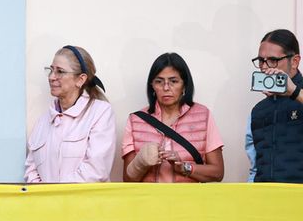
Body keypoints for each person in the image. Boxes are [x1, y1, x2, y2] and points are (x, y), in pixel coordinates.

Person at [122, 53, 224, 182]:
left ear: (184, 85)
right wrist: (141, 161)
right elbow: (127, 179)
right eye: (159, 82)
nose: (166, 88)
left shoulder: (203, 115)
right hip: (148, 200)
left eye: (173, 81)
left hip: (188, 200)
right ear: (152, 86)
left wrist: (185, 168)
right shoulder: (136, 120)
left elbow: (218, 172)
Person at [24, 45, 115, 183]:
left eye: (60, 71)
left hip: (84, 203)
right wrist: (44, 198)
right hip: (45, 203)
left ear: (80, 79)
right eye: (51, 70)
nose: (51, 77)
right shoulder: (43, 121)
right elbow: (31, 169)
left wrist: (57, 196)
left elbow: (96, 170)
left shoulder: (101, 112)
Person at [246, 29, 303, 183]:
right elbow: (255, 166)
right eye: (261, 60)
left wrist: (294, 91)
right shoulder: (258, 111)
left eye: (272, 60)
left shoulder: (299, 94)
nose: (265, 67)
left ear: (295, 62)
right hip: (265, 198)